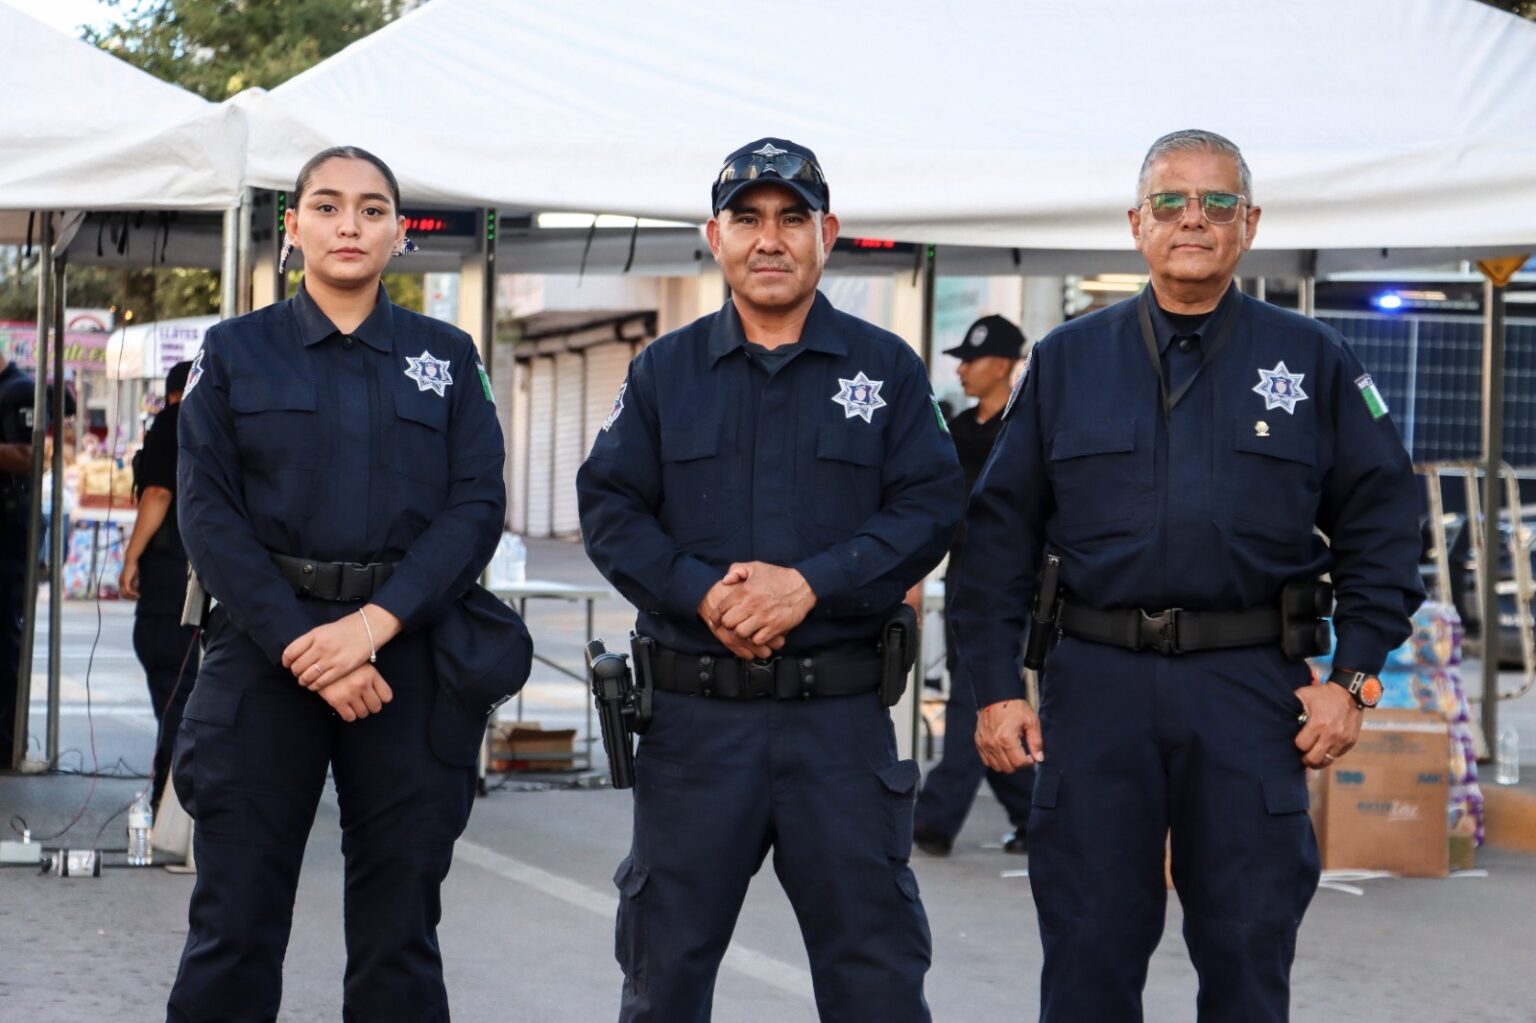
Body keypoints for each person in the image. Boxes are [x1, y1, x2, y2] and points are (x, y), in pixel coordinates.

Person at [951, 129, 1423, 1022]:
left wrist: (1354, 682)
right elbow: (996, 536)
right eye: (1171, 201)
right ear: (1138, 224)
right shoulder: (1066, 360)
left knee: (1248, 949)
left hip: (1247, 691)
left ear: (1249, 224)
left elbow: (1387, 525)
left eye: (1216, 203)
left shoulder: (1312, 359)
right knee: (1088, 950)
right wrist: (992, 687)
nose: (1192, 219)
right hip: (1096, 688)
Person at [578, 137, 962, 1023]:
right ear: (715, 237)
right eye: (748, 219)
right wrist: (704, 593)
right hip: (696, 728)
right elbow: (610, 507)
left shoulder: (887, 370)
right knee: (663, 979)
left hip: (838, 727)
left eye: (792, 219)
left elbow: (931, 509)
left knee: (876, 982)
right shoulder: (663, 372)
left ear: (827, 233)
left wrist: (810, 586)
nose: (770, 239)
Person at [167, 146, 509, 1023]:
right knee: (234, 926)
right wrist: (303, 645)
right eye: (326, 206)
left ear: (400, 231)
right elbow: (208, 515)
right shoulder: (235, 351)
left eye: (369, 208)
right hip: (262, 650)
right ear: (293, 228)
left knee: (400, 934)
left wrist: (371, 627)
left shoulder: (446, 355)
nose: (348, 224)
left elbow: (476, 506)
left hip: (406, 655)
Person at [912, 315, 1033, 856]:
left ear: (1003, 365)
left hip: (1021, 586)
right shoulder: (955, 433)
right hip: (966, 578)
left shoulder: (1030, 425)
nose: (960, 369)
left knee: (977, 698)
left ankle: (932, 820)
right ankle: (1032, 810)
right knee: (983, 694)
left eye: (971, 359)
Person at [120, 360, 198, 813]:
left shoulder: (174, 421)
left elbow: (157, 494)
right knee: (186, 689)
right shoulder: (228, 424)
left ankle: (171, 800)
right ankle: (176, 798)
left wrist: (131, 558)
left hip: (171, 573)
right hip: (207, 574)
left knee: (175, 689)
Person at [0, 345, 37, 762]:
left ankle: (6, 740)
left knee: (4, 640)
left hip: (8, 532)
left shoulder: (19, 390)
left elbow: (30, 455)